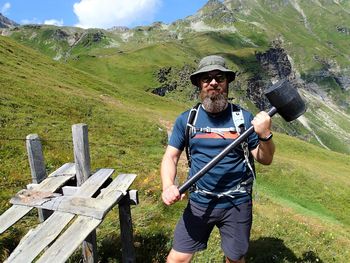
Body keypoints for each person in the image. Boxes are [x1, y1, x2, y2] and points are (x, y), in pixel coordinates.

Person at [161, 55, 275, 263]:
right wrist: (168, 185)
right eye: (206, 78)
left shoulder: (244, 119)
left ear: (227, 83)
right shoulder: (187, 120)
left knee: (234, 259)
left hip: (237, 204)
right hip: (199, 202)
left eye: (219, 78)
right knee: (177, 259)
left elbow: (264, 159)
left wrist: (265, 135)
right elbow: (171, 156)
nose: (213, 82)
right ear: (199, 84)